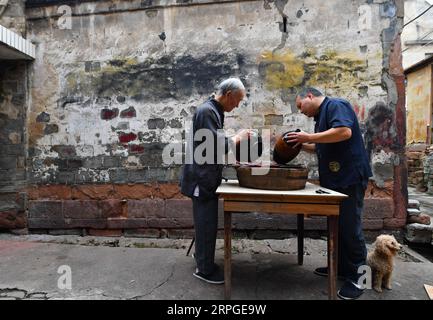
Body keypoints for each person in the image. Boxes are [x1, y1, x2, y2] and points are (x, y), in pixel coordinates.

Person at [284, 87, 372, 300]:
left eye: (300, 106)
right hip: (336, 180)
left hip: (350, 177)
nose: (301, 111)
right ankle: (342, 269)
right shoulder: (320, 116)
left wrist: (309, 136)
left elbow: (344, 132)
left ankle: (361, 279)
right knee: (338, 227)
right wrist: (303, 144)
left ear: (310, 96)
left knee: (352, 229)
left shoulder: (336, 105)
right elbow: (324, 145)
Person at [180, 78, 250, 284]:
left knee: (205, 222)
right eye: (237, 100)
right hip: (201, 179)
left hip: (206, 176)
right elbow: (212, 145)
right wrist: (238, 137)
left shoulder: (213, 111)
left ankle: (202, 258)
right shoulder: (207, 111)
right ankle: (204, 269)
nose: (237, 105)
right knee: (206, 223)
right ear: (228, 95)